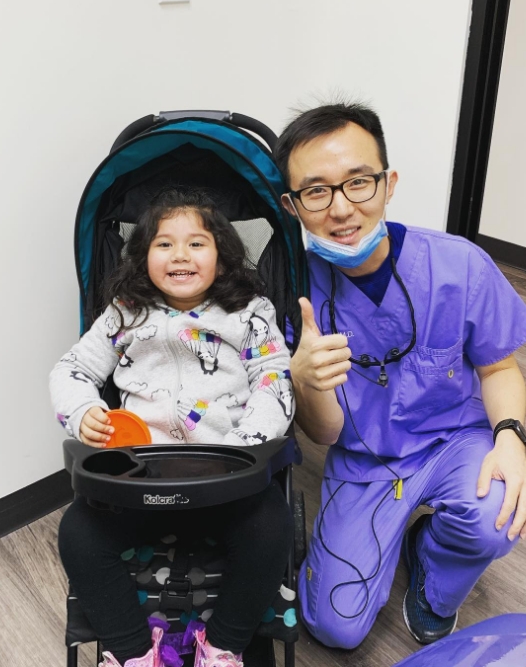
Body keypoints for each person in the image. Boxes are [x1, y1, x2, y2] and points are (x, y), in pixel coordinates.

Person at [273, 102, 526, 649]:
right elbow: (326, 434)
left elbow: (499, 366)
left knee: (497, 515)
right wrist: (305, 380)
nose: (340, 208)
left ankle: (432, 567)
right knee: (334, 627)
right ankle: (392, 538)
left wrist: (512, 437)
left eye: (357, 182)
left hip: (456, 440)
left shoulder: (459, 266)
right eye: (316, 191)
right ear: (293, 205)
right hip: (366, 460)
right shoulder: (290, 294)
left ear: (387, 184)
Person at [50, 187, 295, 667]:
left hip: (227, 478)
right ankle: (133, 652)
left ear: (223, 259)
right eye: (163, 243)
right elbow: (71, 370)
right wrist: (82, 412)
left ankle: (223, 645)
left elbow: (273, 378)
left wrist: (251, 445)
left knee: (271, 529)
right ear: (143, 259)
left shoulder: (250, 313)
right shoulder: (124, 313)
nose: (180, 254)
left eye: (196, 243)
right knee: (78, 533)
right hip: (137, 479)